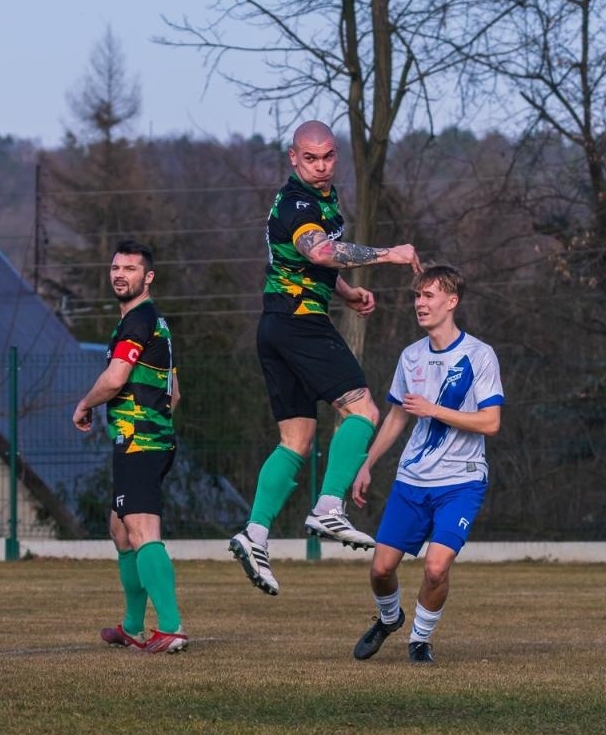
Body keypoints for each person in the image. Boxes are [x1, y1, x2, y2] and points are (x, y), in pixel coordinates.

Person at [229, 120, 421, 596]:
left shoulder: (324, 199)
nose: (320, 166)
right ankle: (329, 507)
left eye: (328, 157)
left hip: (276, 323)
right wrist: (388, 254)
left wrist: (349, 291)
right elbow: (319, 252)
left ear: (336, 157)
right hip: (299, 323)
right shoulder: (298, 203)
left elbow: (312, 264)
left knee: (296, 438)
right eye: (310, 158)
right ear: (293, 158)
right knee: (364, 411)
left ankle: (254, 534)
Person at [350, 264, 502, 663]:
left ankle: (420, 639)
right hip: (412, 481)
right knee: (381, 570)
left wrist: (435, 410)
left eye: (429, 295)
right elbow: (399, 414)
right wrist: (367, 464)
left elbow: (491, 422)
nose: (419, 303)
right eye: (417, 296)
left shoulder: (479, 355)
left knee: (436, 568)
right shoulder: (411, 356)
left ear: (451, 302)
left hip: (461, 482)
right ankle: (388, 619)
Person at [73, 241, 186, 654]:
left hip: (141, 440)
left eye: (131, 269)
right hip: (142, 438)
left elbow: (116, 378)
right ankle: (133, 626)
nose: (121, 274)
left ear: (148, 277)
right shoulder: (153, 323)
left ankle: (171, 627)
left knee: (140, 531)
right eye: (116, 267)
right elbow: (174, 391)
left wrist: (86, 404)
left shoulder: (140, 319)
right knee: (120, 529)